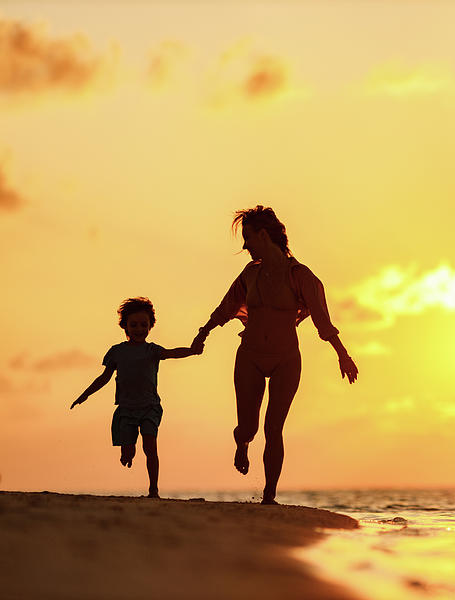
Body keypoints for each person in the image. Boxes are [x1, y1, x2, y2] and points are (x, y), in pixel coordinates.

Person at [192, 206, 358, 505]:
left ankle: (269, 495)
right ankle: (242, 444)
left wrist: (342, 355)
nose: (244, 245)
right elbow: (226, 307)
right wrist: (203, 333)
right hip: (250, 356)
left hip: (286, 359)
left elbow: (323, 320)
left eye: (248, 237)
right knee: (248, 428)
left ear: (263, 235)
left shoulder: (300, 276)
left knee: (273, 427)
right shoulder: (250, 274)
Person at [71, 297, 204, 498]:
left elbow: (172, 353)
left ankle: (153, 489)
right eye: (134, 325)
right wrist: (85, 394)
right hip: (126, 409)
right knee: (128, 451)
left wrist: (192, 351)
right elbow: (104, 378)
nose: (139, 329)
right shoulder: (117, 352)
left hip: (150, 407)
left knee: (150, 446)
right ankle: (127, 452)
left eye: (144, 325)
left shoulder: (152, 350)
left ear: (151, 326)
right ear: (125, 326)